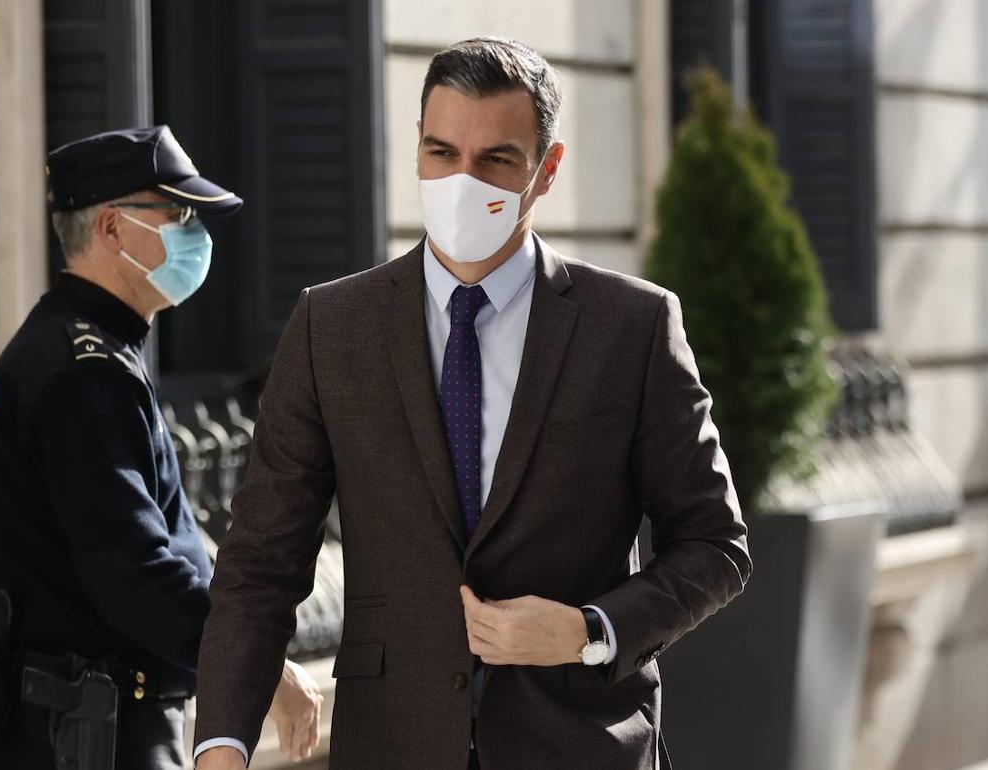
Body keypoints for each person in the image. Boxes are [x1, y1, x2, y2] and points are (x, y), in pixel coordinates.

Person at [192, 39, 752, 770]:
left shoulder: (633, 326)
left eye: (495, 159)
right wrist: (221, 744)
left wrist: (591, 630)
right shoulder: (331, 327)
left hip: (581, 746)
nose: (462, 179)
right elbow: (259, 563)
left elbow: (716, 544)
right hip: (393, 747)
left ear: (546, 171)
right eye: (440, 151)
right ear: (416, 150)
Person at [0, 125, 322, 769]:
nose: (195, 233)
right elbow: (132, 572)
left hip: (83, 723)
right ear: (110, 229)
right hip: (91, 732)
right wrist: (256, 665)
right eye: (176, 213)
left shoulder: (76, 347)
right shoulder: (86, 372)